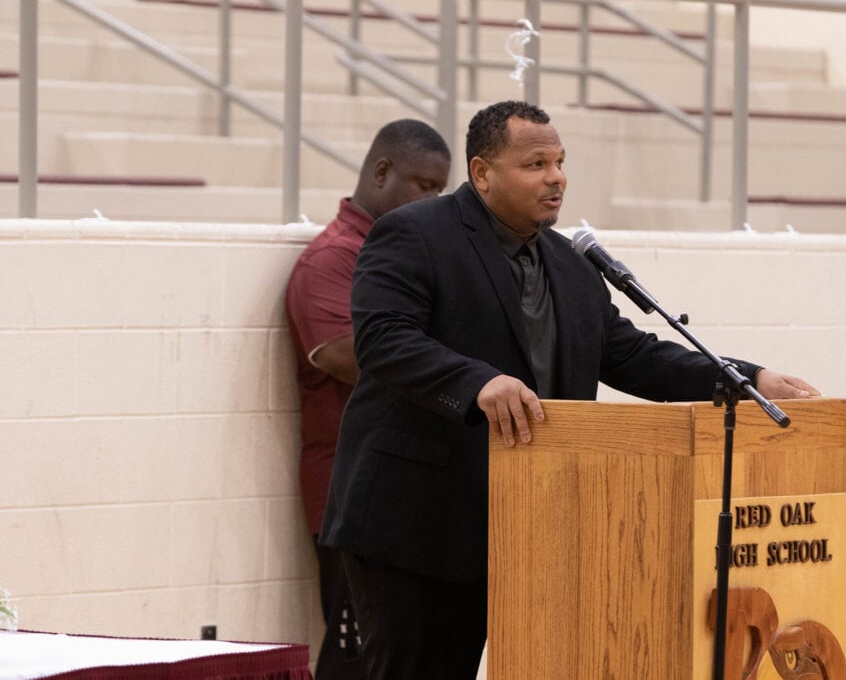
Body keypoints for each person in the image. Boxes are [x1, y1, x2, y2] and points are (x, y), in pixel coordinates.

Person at [318, 99, 819, 679]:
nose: (555, 177)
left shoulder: (573, 264)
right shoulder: (413, 232)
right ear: (482, 173)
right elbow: (383, 338)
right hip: (418, 521)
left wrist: (744, 377)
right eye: (535, 164)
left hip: (536, 520)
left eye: (560, 162)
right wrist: (477, 382)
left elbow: (633, 356)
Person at [284, 118, 451, 679]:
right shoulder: (331, 258)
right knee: (358, 648)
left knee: (412, 647)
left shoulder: (411, 251)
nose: (433, 200)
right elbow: (346, 357)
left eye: (440, 190)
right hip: (347, 488)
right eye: (424, 186)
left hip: (408, 484)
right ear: (382, 172)